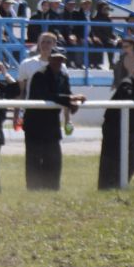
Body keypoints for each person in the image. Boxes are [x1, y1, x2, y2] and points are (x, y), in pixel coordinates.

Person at [22, 48, 82, 190]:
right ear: (49, 59)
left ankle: (52, 188)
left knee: (53, 157)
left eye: (60, 59)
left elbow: (66, 93)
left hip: (52, 122)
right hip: (35, 122)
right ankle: (33, 188)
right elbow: (47, 95)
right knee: (34, 158)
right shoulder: (40, 75)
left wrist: (74, 102)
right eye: (54, 59)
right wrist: (71, 100)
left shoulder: (63, 75)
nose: (57, 62)